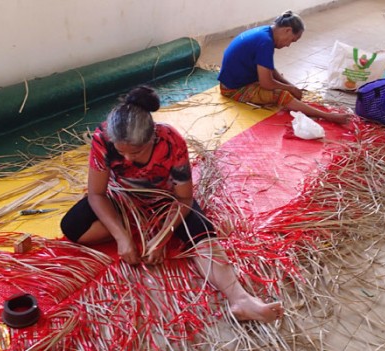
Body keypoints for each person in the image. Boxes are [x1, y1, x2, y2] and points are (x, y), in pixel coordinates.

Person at [60, 86, 284, 322]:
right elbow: (96, 194)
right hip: (124, 197)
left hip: (164, 200)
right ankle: (140, 229)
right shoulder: (103, 138)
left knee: (201, 230)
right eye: (120, 151)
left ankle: (241, 299)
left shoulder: (171, 141)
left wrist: (165, 233)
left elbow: (184, 197)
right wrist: (121, 237)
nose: (127, 159)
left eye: (135, 152)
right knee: (73, 226)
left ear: (152, 137)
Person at [218, 10, 352, 124]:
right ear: (288, 30)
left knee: (279, 79)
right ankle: (328, 116)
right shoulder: (265, 42)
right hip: (233, 89)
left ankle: (292, 94)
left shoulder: (265, 32)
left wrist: (291, 86)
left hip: (236, 79)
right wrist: (289, 88)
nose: (288, 45)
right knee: (281, 94)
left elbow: (269, 69)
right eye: (292, 40)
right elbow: (266, 83)